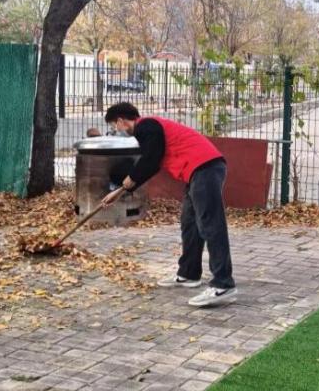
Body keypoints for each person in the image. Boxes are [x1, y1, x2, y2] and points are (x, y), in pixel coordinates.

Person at [101, 102, 236, 307]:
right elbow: (152, 163)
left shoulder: (146, 126)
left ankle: (223, 284)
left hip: (205, 168)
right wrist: (124, 188)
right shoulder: (150, 128)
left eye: (114, 126)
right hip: (197, 172)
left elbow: (151, 159)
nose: (116, 130)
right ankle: (189, 273)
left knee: (211, 225)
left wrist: (129, 181)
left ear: (121, 121)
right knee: (190, 225)